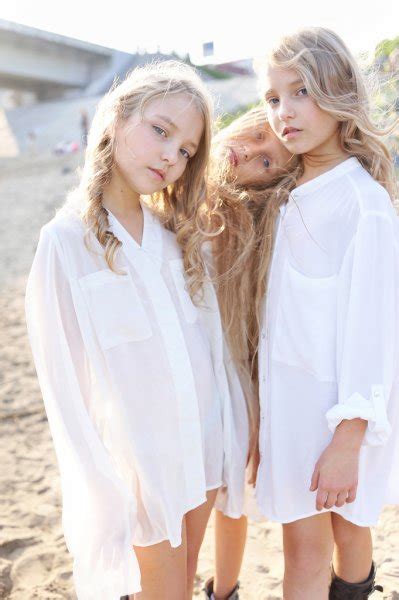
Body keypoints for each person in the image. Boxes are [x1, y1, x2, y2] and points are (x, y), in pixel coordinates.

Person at [25, 60, 243, 600]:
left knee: (183, 589)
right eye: (160, 131)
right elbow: (64, 387)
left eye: (187, 149)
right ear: (118, 116)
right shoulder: (66, 242)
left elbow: (207, 352)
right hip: (141, 472)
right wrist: (104, 489)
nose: (172, 155)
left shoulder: (176, 238)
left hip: (202, 449)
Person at [252, 27, 399, 599]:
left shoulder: (362, 205)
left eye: (301, 92)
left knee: (309, 552)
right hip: (290, 406)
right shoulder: (290, 191)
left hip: (334, 416)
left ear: (337, 93)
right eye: (272, 98)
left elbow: (374, 332)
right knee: (329, 537)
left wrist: (348, 438)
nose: (283, 111)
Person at [204, 107, 295, 600]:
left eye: (265, 164)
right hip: (177, 372)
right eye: (258, 134)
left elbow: (255, 330)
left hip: (230, 375)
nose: (250, 152)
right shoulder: (172, 179)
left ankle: (225, 589)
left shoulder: (247, 224)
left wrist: (257, 412)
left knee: (229, 498)